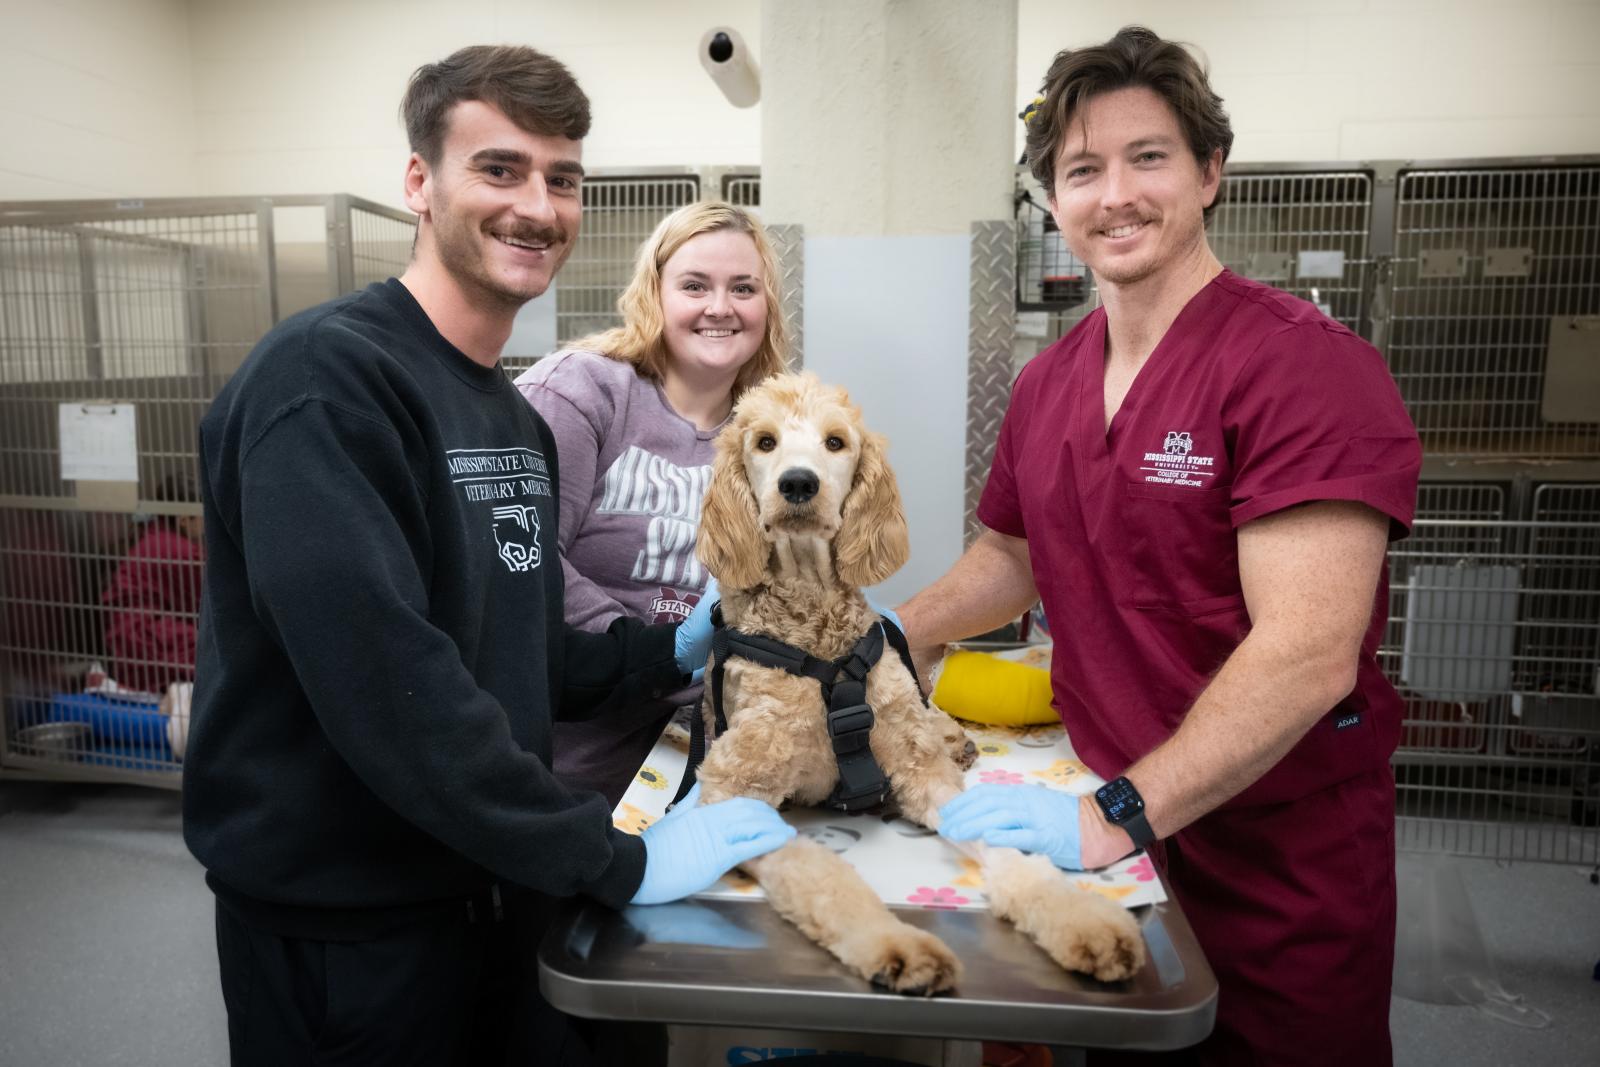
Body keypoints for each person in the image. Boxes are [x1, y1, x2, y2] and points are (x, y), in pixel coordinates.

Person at [182, 45, 793, 1067]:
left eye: (563, 179)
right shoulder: (328, 382)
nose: (537, 206)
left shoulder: (510, 416)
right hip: (352, 920)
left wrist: (673, 648)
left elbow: (523, 649)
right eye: (500, 169)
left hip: (490, 880)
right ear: (419, 182)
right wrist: (611, 857)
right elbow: (390, 683)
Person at [903, 27, 1421, 1065]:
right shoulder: (1047, 382)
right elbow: (1016, 552)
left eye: (1148, 158)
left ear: (1209, 171)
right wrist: (896, 629)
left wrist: (1118, 812)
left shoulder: (1302, 368)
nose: (1115, 196)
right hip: (1112, 829)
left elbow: (1309, 651)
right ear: (1052, 199)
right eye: (1081, 169)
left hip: (1272, 859)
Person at [514, 200, 789, 805]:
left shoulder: (770, 432)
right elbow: (523, 558)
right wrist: (651, 653)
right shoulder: (581, 391)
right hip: (566, 765)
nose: (720, 307)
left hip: (708, 754)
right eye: (695, 285)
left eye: (743, 288)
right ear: (654, 293)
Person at [101, 473, 204, 694]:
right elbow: (203, 602)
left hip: (125, 634)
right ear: (184, 519)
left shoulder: (155, 536)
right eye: (202, 516)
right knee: (209, 646)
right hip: (141, 636)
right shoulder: (181, 551)